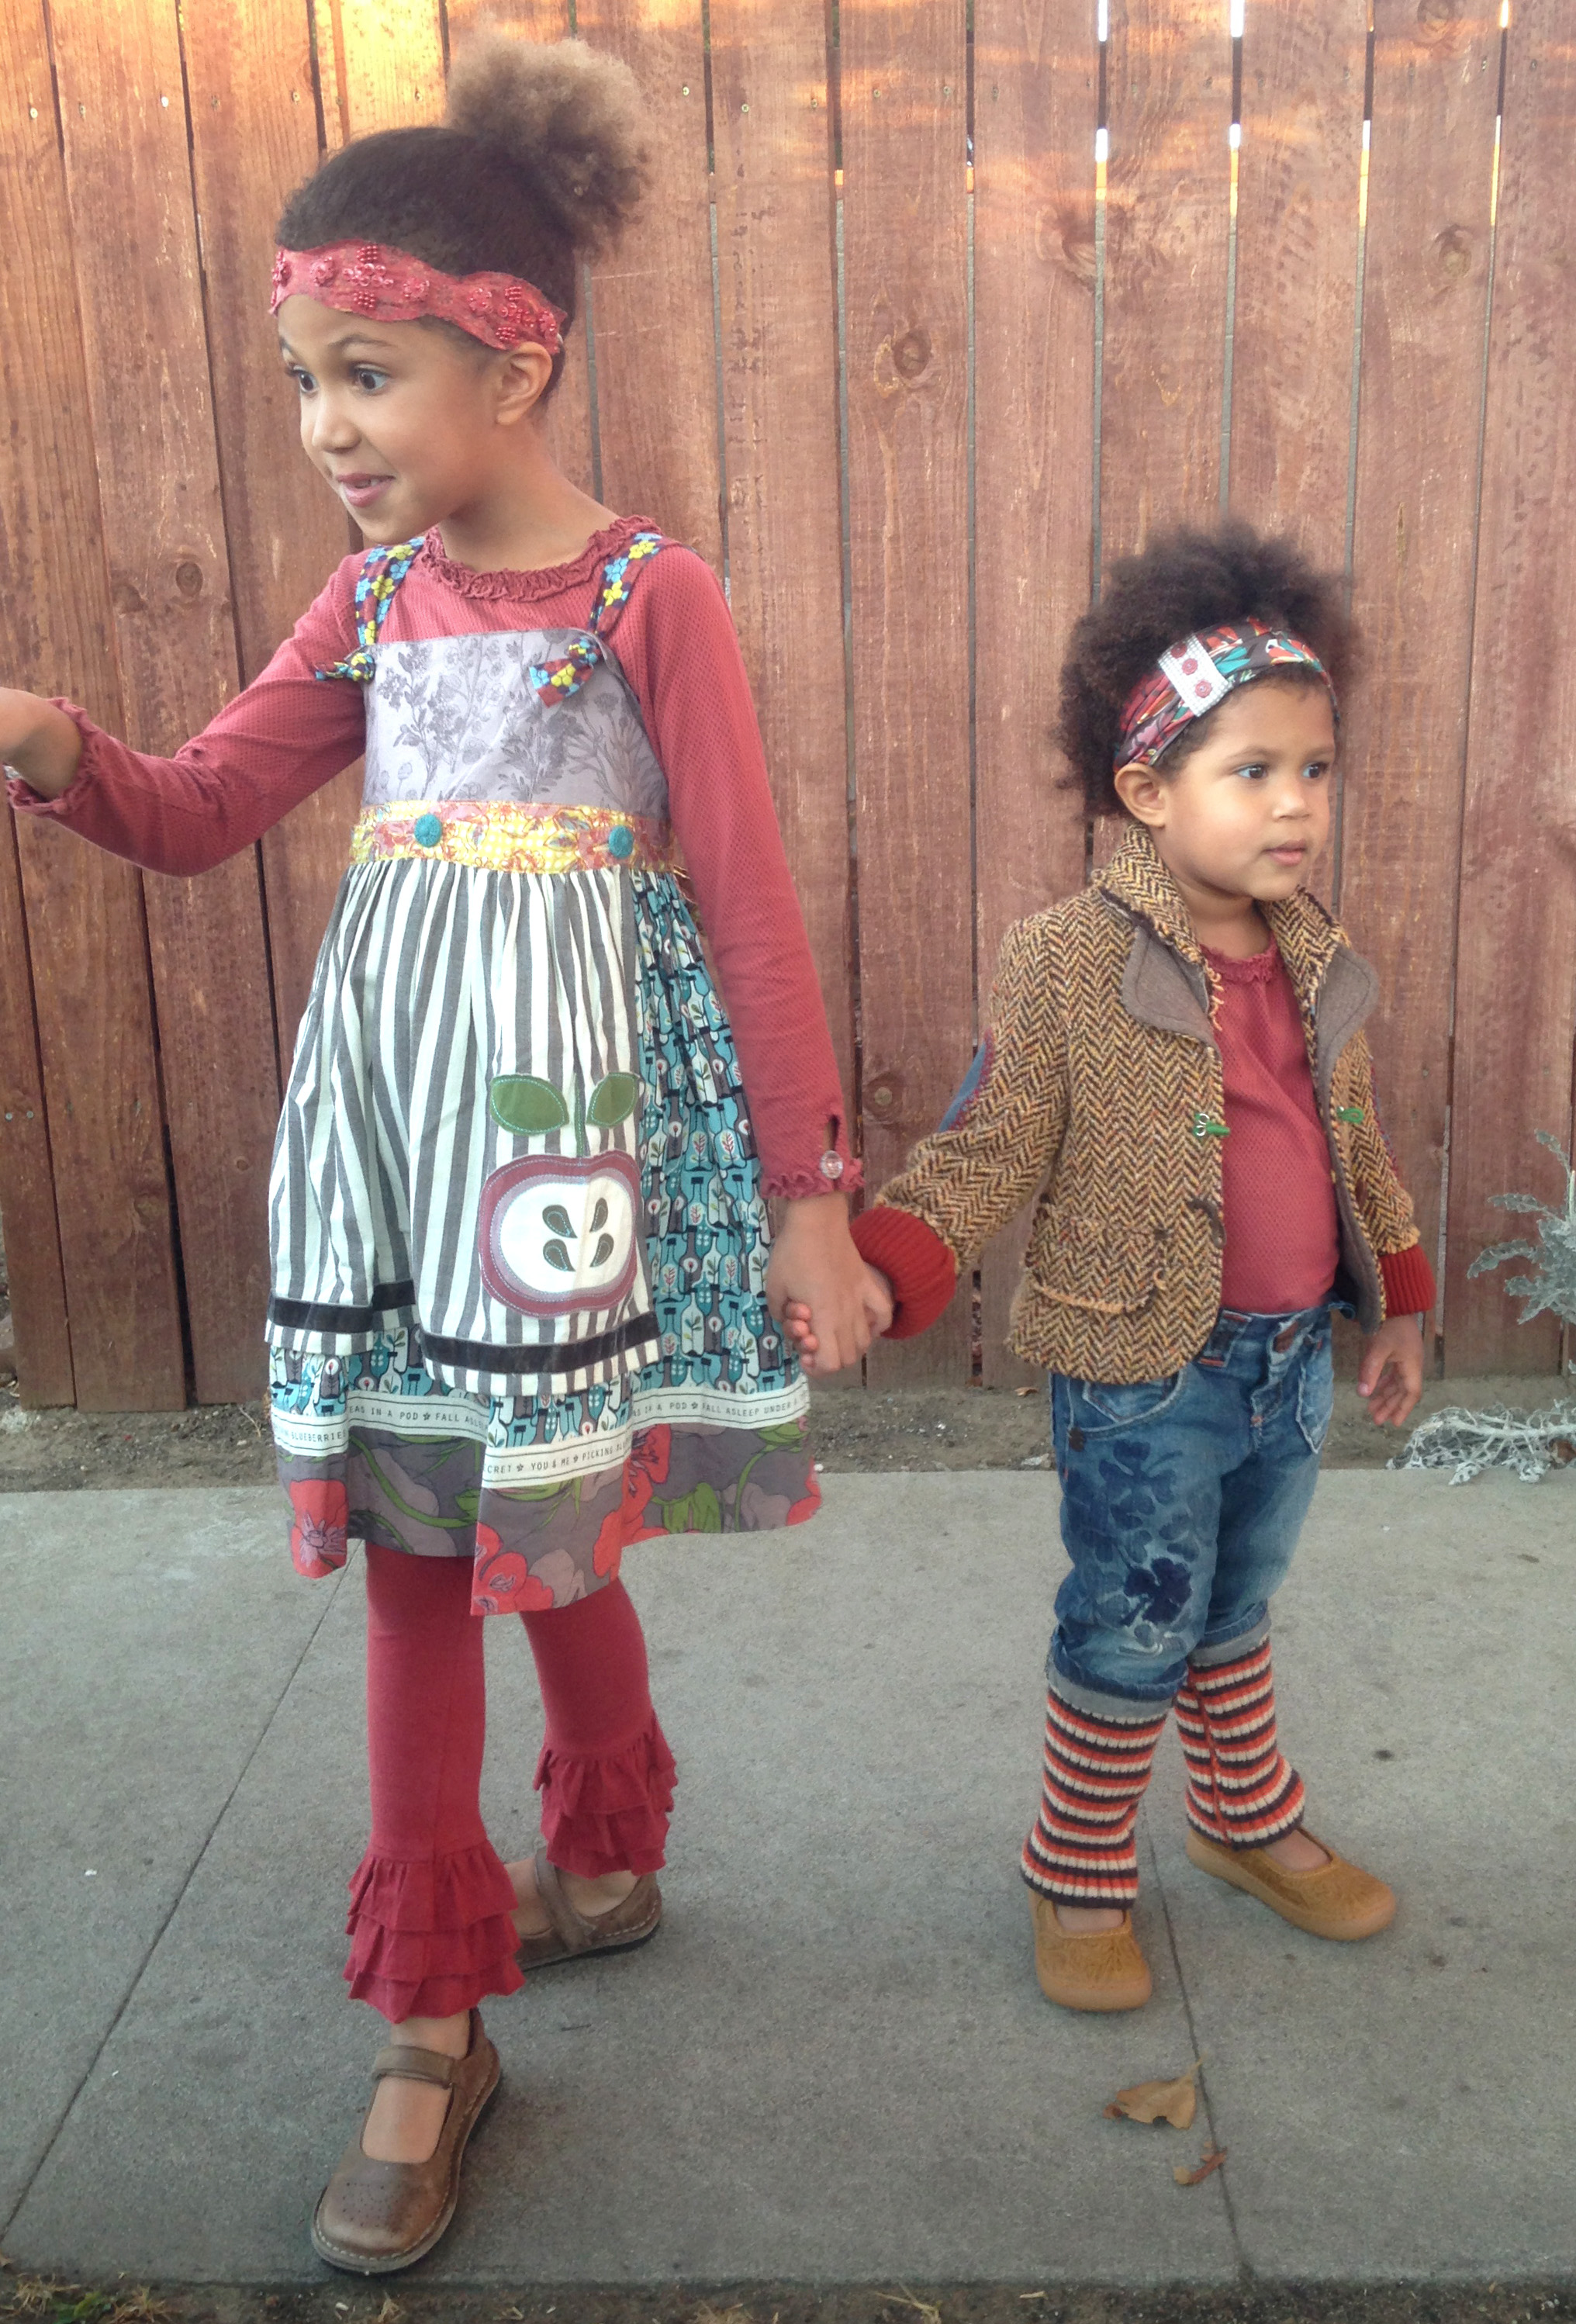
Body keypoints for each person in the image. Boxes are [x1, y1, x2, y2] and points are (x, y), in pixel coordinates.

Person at [1, 33, 886, 2271]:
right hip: (392, 1149)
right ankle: (431, 2019)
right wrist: (52, 745)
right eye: (305, 381)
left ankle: (605, 1844)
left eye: (367, 376)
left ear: (517, 359)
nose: (327, 429)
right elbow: (203, 803)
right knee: (420, 1537)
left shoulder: (648, 593)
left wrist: (812, 1201)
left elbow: (744, 902)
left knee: (552, 1517)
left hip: (568, 1155)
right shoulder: (371, 602)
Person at [787, 520, 1433, 2014]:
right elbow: (991, 1140)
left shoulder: (1316, 954)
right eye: (1252, 771)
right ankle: (1077, 1870)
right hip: (1145, 1369)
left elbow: (1354, 1142)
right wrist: (884, 1262)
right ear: (1148, 790)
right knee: (1134, 1621)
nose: (1296, 803)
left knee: (1235, 1604)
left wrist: (1398, 1302)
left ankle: (1243, 1822)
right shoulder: (1070, 957)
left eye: (1315, 769)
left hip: (1288, 1364)